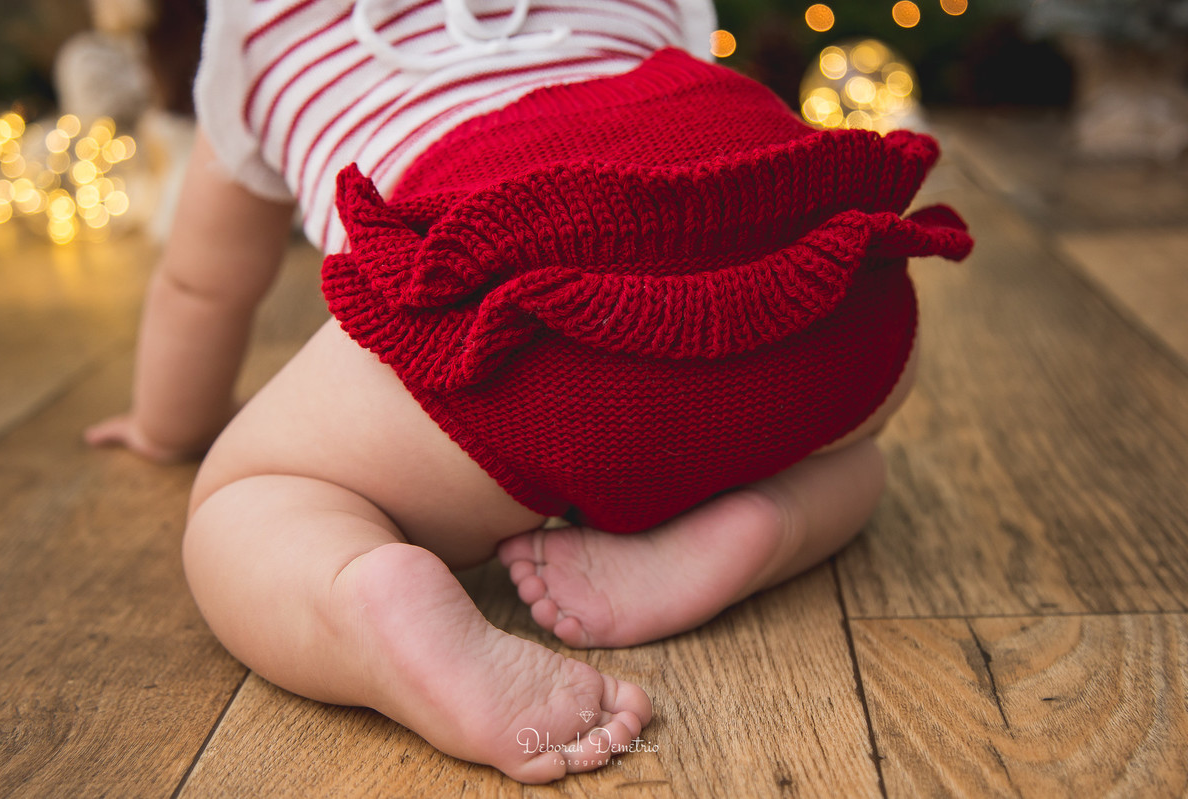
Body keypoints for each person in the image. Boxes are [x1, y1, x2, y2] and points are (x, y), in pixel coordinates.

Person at [85, 0, 972, 783]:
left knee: (245, 502)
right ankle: (769, 517)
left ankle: (365, 592)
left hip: (508, 286)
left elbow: (206, 284)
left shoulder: (261, 27)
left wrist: (173, 426)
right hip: (815, 287)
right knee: (859, 456)